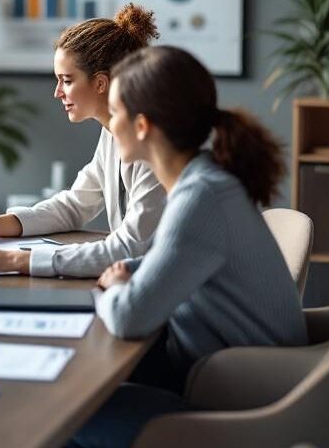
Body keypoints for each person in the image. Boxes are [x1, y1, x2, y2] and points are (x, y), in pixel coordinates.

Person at [68, 46, 307, 448]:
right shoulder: (207, 179)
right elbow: (177, 258)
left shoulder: (200, 198)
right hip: (236, 377)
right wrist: (130, 270)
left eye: (115, 112)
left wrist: (114, 288)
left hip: (245, 402)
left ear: (142, 125)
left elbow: (129, 317)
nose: (109, 124)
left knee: (69, 412)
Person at [0, 4, 166, 277]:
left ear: (100, 83)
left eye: (66, 80)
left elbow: (130, 248)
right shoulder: (112, 134)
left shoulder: (152, 144)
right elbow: (73, 205)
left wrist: (15, 261)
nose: (57, 92)